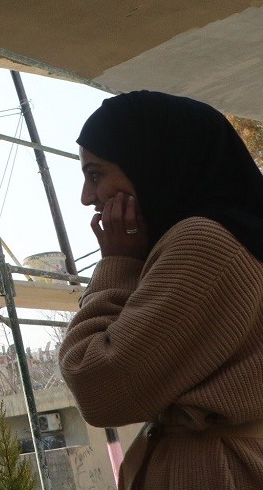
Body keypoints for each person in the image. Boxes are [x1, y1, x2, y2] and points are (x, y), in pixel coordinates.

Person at [59, 90, 263, 489]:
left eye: (96, 174)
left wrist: (116, 262)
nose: (87, 197)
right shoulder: (241, 236)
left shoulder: (204, 242)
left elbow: (97, 386)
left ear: (153, 165)